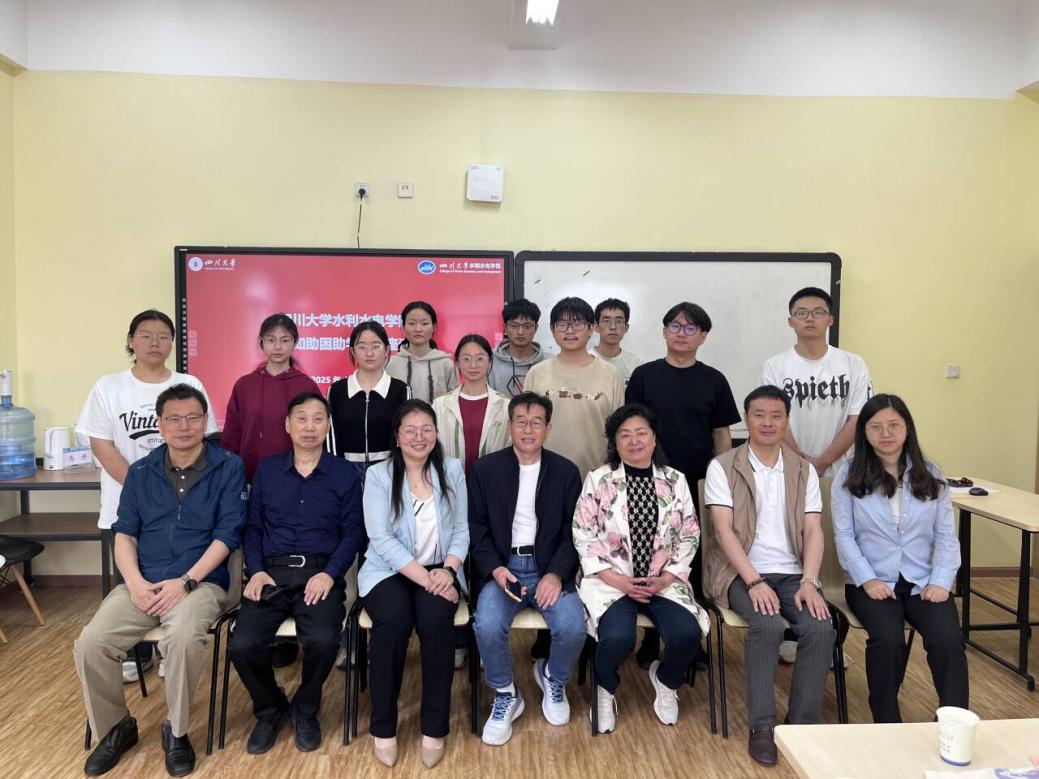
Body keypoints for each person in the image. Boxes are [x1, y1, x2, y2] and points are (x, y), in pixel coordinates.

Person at [73, 384, 246, 777]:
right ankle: (116, 727)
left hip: (200, 583)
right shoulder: (141, 471)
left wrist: (186, 582)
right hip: (144, 581)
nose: (184, 426)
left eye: (193, 418)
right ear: (160, 424)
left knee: (182, 638)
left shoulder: (228, 467)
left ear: (205, 421)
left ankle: (176, 730)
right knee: (91, 643)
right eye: (174, 419)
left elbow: (227, 536)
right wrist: (134, 583)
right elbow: (124, 535)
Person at [76, 309, 218, 684]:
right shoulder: (109, 386)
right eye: (146, 335)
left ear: (172, 342)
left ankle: (170, 650)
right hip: (125, 502)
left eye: (163, 336)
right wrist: (146, 489)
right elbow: (101, 444)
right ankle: (135, 654)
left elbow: (207, 441)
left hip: (188, 506)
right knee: (133, 581)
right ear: (130, 340)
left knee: (178, 581)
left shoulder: (189, 383)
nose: (155, 343)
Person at [703, 385, 835, 767]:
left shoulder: (803, 469)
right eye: (759, 415)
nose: (767, 422)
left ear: (786, 421)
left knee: (820, 627)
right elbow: (723, 531)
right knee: (767, 624)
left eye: (776, 416)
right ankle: (762, 725)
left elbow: (813, 530)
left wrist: (810, 581)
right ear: (746, 419)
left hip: (793, 573)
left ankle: (802, 725)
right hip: (739, 571)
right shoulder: (723, 465)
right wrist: (754, 580)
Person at [228, 392, 364, 754]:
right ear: (287, 425)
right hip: (270, 576)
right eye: (301, 418)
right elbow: (253, 528)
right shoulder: (268, 471)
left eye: (318, 419)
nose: (309, 426)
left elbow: (353, 533)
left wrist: (330, 574)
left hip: (320, 574)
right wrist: (256, 571)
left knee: (323, 640)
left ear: (328, 425)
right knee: (242, 644)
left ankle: (305, 708)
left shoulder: (344, 473)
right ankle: (270, 708)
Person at [572, 403, 709, 734]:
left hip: (662, 579)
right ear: (614, 443)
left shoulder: (675, 480)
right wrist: (616, 580)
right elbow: (583, 533)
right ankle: (604, 688)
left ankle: (667, 680)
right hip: (611, 580)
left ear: (654, 438)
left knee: (687, 634)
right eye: (625, 435)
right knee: (618, 638)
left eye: (641, 433)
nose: (634, 441)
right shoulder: (599, 479)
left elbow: (690, 533)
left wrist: (666, 578)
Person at [831, 394, 966, 723]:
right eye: (876, 427)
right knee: (888, 640)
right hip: (870, 581)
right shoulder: (848, 475)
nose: (886, 433)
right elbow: (844, 536)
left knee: (948, 640)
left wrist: (941, 581)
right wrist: (868, 579)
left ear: (907, 429)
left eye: (894, 425)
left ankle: (954, 723)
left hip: (922, 581)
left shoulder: (930, 473)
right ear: (864, 432)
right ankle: (887, 723)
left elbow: (946, 535)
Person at [625, 301, 740, 665]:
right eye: (675, 326)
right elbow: (631, 428)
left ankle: (692, 636)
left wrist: (721, 482)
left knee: (691, 559)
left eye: (691, 328)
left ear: (703, 336)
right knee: (647, 556)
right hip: (648, 481)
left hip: (697, 481)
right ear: (664, 331)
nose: (681, 333)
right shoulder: (644, 376)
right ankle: (650, 636)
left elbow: (721, 435)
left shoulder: (714, 380)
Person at [469, 391, 586, 745]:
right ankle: (506, 693)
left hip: (548, 566)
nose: (529, 429)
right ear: (509, 426)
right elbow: (476, 529)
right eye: (521, 422)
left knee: (573, 627)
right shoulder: (486, 469)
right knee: (487, 625)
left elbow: (574, 532)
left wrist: (555, 573)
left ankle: (553, 677)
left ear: (548, 428)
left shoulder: (566, 472)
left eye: (537, 422)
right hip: (504, 567)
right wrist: (495, 570)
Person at [358, 400, 469, 769]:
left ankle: (434, 728)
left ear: (436, 433)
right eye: (410, 430)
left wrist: (448, 572)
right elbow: (381, 538)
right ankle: (383, 727)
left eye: (426, 430)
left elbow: (462, 530)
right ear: (397, 436)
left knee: (437, 623)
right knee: (392, 623)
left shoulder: (451, 469)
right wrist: (428, 580)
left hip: (441, 570)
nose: (419, 437)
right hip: (388, 571)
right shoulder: (379, 475)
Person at [761, 286, 872, 479]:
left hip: (843, 472)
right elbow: (773, 418)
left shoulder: (854, 364)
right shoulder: (774, 366)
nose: (810, 318)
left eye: (818, 312)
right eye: (802, 313)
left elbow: (857, 420)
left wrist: (823, 462)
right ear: (791, 321)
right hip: (789, 469)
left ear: (830, 320)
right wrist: (800, 461)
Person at [523, 297, 625, 479]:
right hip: (544, 476)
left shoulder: (611, 375)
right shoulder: (537, 373)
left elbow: (619, 432)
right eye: (562, 324)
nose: (569, 331)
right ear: (552, 330)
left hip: (596, 477)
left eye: (577, 324)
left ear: (591, 328)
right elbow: (525, 427)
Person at [222, 313, 320, 483]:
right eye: (271, 340)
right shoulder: (245, 385)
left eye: (285, 340)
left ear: (295, 343)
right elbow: (232, 435)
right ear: (262, 342)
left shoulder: (306, 385)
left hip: (298, 476)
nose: (278, 347)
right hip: (250, 475)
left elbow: (318, 433)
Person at [326, 320, 410, 472]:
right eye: (362, 347)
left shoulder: (401, 390)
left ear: (387, 350)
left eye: (376, 346)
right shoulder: (337, 391)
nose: (369, 353)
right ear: (353, 351)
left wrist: (398, 470)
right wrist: (337, 471)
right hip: (346, 470)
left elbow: (406, 433)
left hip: (389, 470)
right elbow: (330, 436)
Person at [431, 333, 511, 478]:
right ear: (457, 363)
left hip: (492, 482)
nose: (473, 365)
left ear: (490, 362)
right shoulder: (440, 405)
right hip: (451, 483)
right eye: (466, 359)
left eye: (480, 359)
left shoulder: (505, 405)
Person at [386, 301, 459, 404]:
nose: (418, 329)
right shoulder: (390, 364)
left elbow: (455, 403)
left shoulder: (446, 364)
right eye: (412, 323)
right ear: (403, 328)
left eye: (424, 324)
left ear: (434, 327)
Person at [488, 298, 545, 397]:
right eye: (514, 326)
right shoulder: (489, 360)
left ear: (536, 328)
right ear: (505, 328)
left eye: (527, 326)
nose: (520, 332)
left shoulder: (549, 362)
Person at [593, 298, 641, 385]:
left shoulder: (636, 364)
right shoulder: (584, 360)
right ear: (596, 327)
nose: (613, 327)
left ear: (626, 328)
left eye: (619, 321)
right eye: (606, 321)